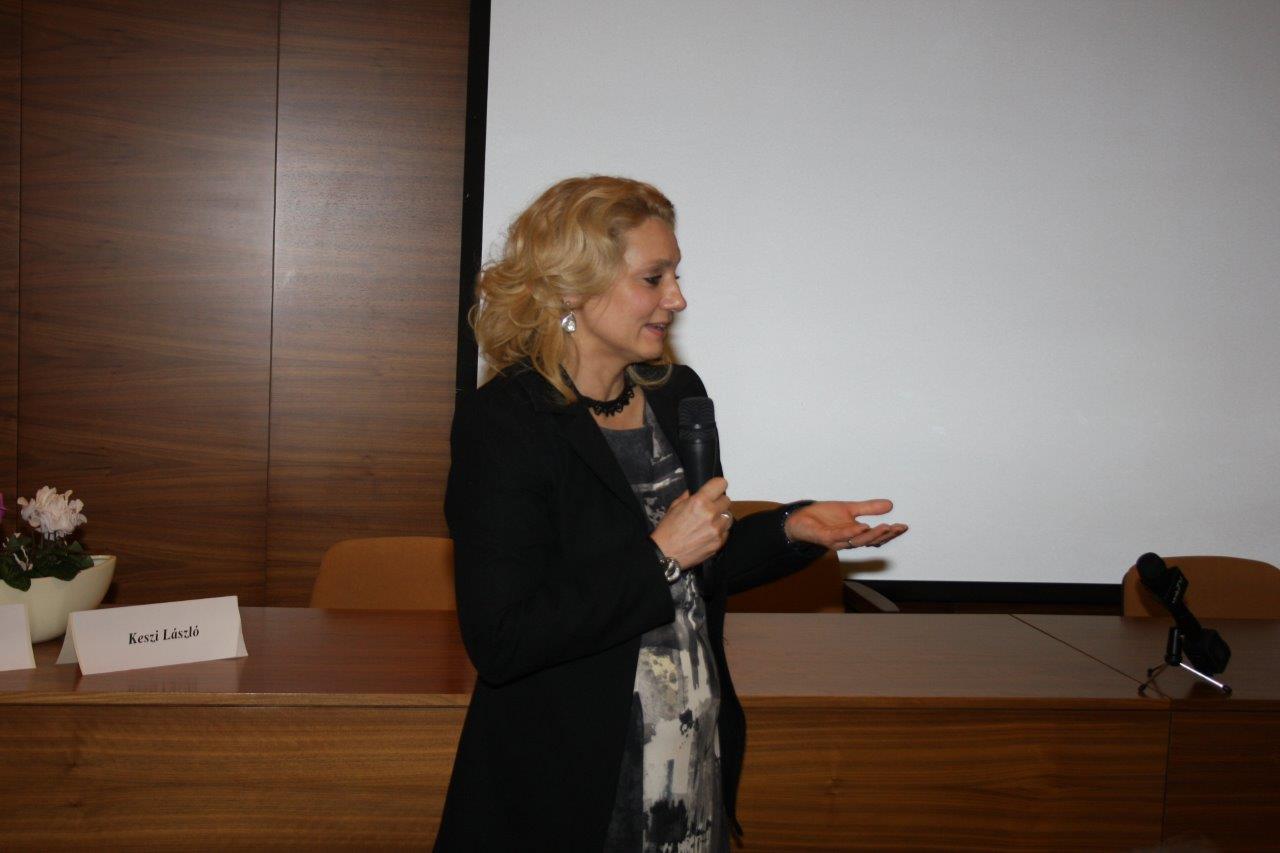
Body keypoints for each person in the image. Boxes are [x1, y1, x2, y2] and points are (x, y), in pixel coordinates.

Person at [435, 176, 907, 852]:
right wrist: (660, 555)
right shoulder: (506, 424)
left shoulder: (675, 393)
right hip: (575, 779)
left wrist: (791, 528)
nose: (677, 299)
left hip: (690, 755)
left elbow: (698, 566)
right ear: (571, 288)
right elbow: (505, 639)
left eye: (676, 276)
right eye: (653, 278)